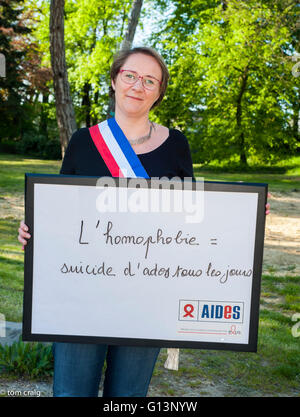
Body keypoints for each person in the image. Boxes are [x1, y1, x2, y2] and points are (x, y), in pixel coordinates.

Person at [18, 46, 271, 397]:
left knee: (127, 396)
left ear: (159, 93)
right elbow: (65, 213)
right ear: (114, 80)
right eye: (131, 76)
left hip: (148, 298)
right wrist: (35, 229)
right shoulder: (83, 143)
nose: (139, 85)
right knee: (71, 392)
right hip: (82, 294)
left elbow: (193, 216)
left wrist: (241, 214)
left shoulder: (176, 145)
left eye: (150, 80)